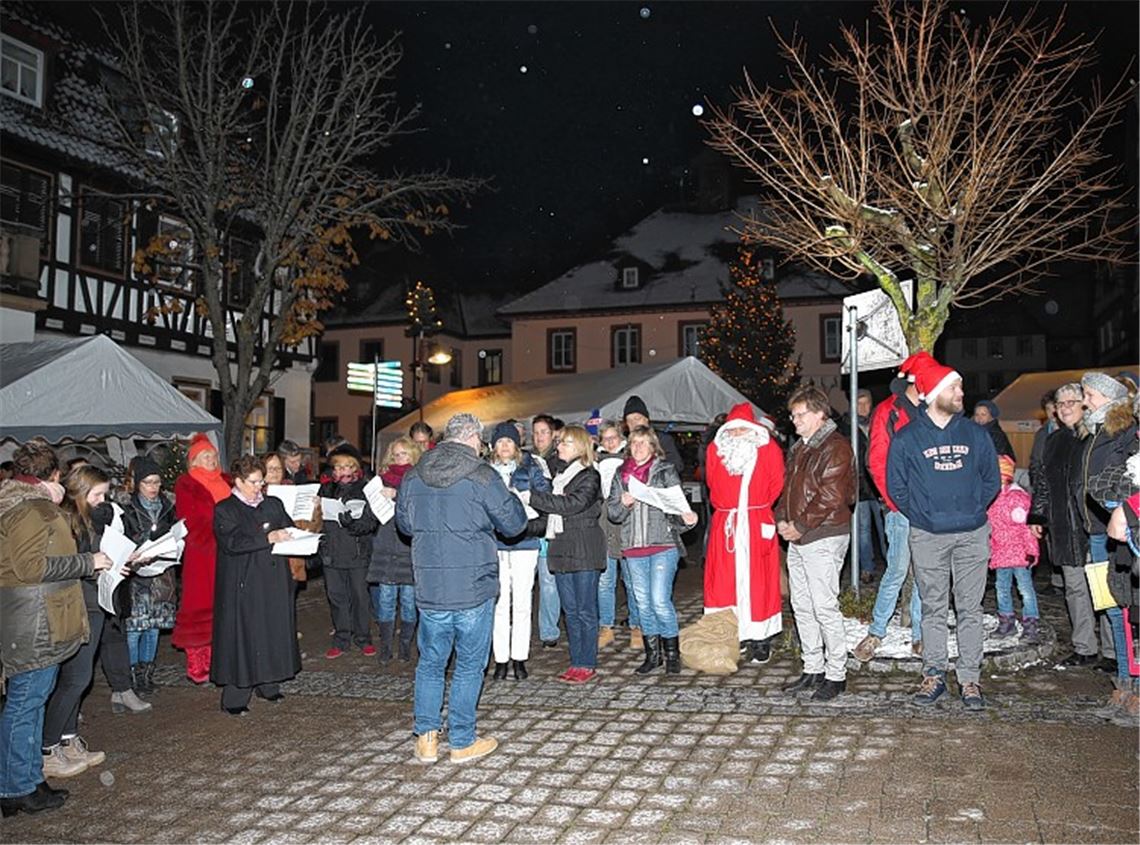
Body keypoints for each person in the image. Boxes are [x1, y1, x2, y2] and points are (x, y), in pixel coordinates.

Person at [397, 413, 528, 764]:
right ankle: (462, 740)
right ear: (473, 438)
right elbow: (514, 524)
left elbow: (405, 525)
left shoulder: (414, 475)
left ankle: (427, 739)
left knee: (431, 663)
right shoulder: (483, 475)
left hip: (430, 587)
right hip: (473, 586)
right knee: (469, 665)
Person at [1, 441, 111, 816]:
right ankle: (14, 787)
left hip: (38, 616)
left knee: (32, 702)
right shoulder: (31, 509)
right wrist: (87, 562)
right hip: (35, 620)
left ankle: (28, 779)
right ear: (53, 475)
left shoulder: (27, 505)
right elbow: (30, 568)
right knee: (25, 704)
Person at [887, 357, 1000, 710]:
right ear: (934, 393)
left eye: (960, 386)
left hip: (971, 535)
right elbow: (896, 486)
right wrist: (924, 515)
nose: (961, 393)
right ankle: (934, 674)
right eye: (954, 387)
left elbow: (992, 480)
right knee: (933, 606)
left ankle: (969, 679)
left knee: (970, 608)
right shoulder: (906, 438)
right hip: (928, 536)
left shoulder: (976, 434)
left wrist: (972, 509)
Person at [42, 466, 139, 781]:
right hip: (78, 605)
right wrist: (95, 564)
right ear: (80, 492)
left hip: (94, 603)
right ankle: (47, 748)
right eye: (97, 494)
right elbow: (68, 564)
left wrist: (118, 563)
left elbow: (98, 555)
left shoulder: (89, 519)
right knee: (75, 678)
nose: (102, 501)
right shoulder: (66, 522)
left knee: (80, 678)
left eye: (104, 494)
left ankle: (68, 740)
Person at [776, 386, 856, 701]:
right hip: (800, 535)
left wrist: (799, 525)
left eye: (800, 414)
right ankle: (813, 668)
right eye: (792, 415)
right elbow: (788, 489)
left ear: (820, 414)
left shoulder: (835, 447)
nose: (794, 420)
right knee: (802, 605)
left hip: (824, 534)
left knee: (824, 606)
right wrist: (782, 518)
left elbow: (831, 495)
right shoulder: (801, 447)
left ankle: (837, 674)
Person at [853, 353, 930, 662]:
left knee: (924, 572)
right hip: (901, 508)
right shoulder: (889, 411)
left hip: (929, 508)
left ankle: (920, 635)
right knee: (897, 569)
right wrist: (894, 501)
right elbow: (877, 461)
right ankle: (876, 631)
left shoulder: (931, 410)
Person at [210, 455, 300, 714]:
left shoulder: (272, 504)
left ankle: (269, 684)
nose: (259, 487)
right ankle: (236, 697)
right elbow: (232, 543)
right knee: (246, 634)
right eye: (253, 482)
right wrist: (267, 537)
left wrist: (299, 533)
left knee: (271, 631)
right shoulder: (226, 509)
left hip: (274, 579)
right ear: (238, 482)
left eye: (261, 481)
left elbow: (288, 528)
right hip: (244, 581)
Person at [606, 426, 698, 674]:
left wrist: (687, 519)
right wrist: (624, 504)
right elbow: (613, 513)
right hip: (633, 547)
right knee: (643, 604)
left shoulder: (665, 471)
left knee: (659, 600)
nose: (638, 447)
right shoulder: (621, 474)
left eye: (643, 443)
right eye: (634, 443)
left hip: (662, 545)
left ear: (653, 446)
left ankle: (672, 655)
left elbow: (677, 507)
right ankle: (652, 655)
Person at [703, 402, 785, 664]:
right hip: (726, 523)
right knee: (724, 581)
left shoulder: (768, 449)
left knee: (759, 582)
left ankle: (761, 638)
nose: (737, 434)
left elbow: (776, 482)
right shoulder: (716, 451)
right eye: (732, 430)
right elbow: (712, 482)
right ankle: (731, 634)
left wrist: (757, 508)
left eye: (742, 429)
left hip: (755, 520)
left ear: (752, 429)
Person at [527, 425, 607, 684]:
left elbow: (572, 504)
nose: (558, 446)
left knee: (585, 610)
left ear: (580, 447)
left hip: (584, 548)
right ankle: (576, 661)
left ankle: (587, 663)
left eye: (565, 443)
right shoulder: (558, 477)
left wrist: (532, 497)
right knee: (570, 611)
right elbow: (547, 516)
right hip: (561, 548)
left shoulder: (589, 476)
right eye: (559, 442)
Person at [1029, 382, 1098, 665]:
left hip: (1094, 526)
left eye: (1072, 401)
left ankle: (1112, 652)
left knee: (1103, 590)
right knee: (1075, 588)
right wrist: (1038, 516)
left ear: (1084, 404)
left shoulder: (1095, 436)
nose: (1066, 407)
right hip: (1062, 526)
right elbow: (1043, 482)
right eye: (1061, 403)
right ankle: (1085, 647)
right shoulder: (1053, 441)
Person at [1074, 372, 1137, 674]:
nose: (1084, 402)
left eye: (1089, 395)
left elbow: (1129, 478)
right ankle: (1125, 679)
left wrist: (1120, 509)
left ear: (1109, 398)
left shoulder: (1124, 430)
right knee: (1110, 606)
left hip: (1118, 532)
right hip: (1096, 530)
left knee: (1123, 607)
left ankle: (1131, 679)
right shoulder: (1095, 431)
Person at [487, 422, 550, 680]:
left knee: (523, 601)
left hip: (525, 542)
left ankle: (519, 657)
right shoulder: (485, 472)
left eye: (509, 441)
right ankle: (501, 658)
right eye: (500, 441)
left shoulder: (531, 468)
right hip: (495, 543)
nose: (504, 446)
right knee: (500, 603)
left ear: (517, 445)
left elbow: (545, 499)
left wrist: (527, 503)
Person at [172, 433, 231, 683]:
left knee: (225, 606)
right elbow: (191, 520)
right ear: (194, 460)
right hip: (203, 554)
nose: (211, 459)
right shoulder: (187, 484)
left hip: (229, 552)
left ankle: (222, 658)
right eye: (205, 455)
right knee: (200, 605)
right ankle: (198, 663)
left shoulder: (227, 481)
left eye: (213, 455)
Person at [120, 456, 178, 696]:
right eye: (148, 482)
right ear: (138, 484)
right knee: (135, 628)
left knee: (154, 627)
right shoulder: (127, 508)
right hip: (136, 577)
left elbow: (175, 533)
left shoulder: (168, 507)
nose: (153, 487)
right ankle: (132, 675)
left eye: (157, 482)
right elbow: (121, 537)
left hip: (161, 576)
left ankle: (146, 675)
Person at [318, 443, 378, 659]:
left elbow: (370, 523)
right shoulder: (326, 489)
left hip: (357, 552)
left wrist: (352, 523)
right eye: (338, 466)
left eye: (347, 466)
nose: (343, 471)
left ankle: (363, 638)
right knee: (337, 597)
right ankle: (341, 638)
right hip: (331, 552)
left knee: (360, 597)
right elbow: (316, 521)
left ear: (355, 468)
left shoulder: (364, 489)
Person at [367, 437, 422, 664]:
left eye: (404, 454)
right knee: (386, 601)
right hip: (386, 545)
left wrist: (397, 496)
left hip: (408, 546)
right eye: (396, 454)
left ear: (413, 455)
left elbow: (419, 507)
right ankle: (386, 647)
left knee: (409, 602)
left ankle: (405, 646)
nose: (399, 458)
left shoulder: (417, 479)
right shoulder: (381, 479)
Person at [596, 422, 642, 652]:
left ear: (621, 438)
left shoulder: (631, 460)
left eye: (613, 437)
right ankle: (606, 627)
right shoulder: (594, 463)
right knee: (605, 581)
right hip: (603, 526)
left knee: (632, 581)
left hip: (627, 525)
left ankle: (637, 627)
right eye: (605, 438)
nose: (610, 442)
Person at [988, 455, 1041, 642]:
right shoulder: (992, 498)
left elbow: (1027, 529)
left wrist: (1031, 550)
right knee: (1001, 587)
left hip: (1019, 553)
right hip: (1001, 552)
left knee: (1024, 588)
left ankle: (1031, 622)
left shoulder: (1018, 498)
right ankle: (1006, 620)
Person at [844, 388, 887, 585]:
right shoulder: (846, 427)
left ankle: (892, 566)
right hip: (859, 486)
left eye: (866, 403)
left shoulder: (879, 422)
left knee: (886, 529)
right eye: (858, 403)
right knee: (862, 531)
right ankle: (867, 568)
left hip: (880, 486)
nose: (862, 407)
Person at [529, 413, 561, 648]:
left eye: (544, 432)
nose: (539, 437)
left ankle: (549, 631)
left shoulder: (558, 460)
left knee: (549, 582)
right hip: (529, 527)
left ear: (553, 434)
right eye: (536, 432)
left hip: (549, 527)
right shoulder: (527, 459)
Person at [622, 394, 684, 472]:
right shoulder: (625, 443)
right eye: (629, 420)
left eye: (637, 418)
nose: (633, 423)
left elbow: (677, 466)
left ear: (646, 419)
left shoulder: (663, 439)